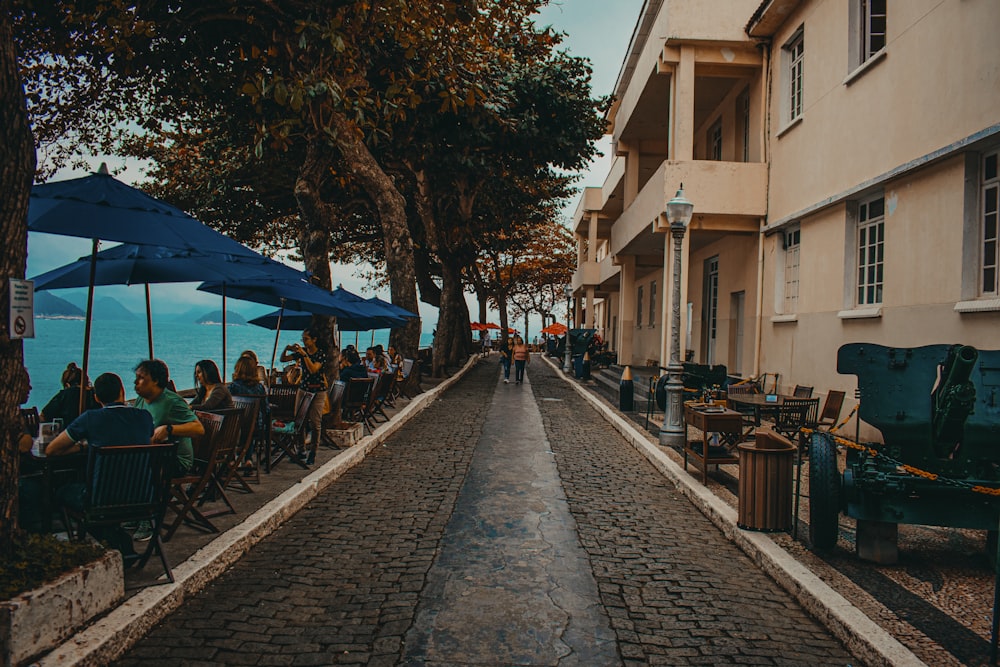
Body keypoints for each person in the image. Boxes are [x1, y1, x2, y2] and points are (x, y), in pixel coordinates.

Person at [45, 373, 154, 561]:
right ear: (122, 391)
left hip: (101, 500)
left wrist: (83, 446)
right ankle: (114, 539)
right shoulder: (144, 417)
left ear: (96, 397)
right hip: (143, 497)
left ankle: (80, 543)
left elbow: (52, 450)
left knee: (61, 491)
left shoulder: (91, 418)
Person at [280, 327, 328, 465]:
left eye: (306, 339)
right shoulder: (302, 352)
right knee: (299, 421)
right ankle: (301, 449)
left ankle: (313, 452)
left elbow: (313, 369)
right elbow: (283, 359)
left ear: (314, 340)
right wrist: (287, 348)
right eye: (303, 339)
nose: (304, 342)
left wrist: (304, 355)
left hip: (318, 391)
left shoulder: (321, 354)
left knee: (315, 422)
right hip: (303, 389)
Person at [229, 355, 269, 472]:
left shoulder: (233, 387)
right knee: (250, 427)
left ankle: (232, 459)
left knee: (237, 427)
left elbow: (228, 407)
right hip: (256, 428)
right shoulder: (259, 388)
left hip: (236, 430)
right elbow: (266, 409)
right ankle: (248, 459)